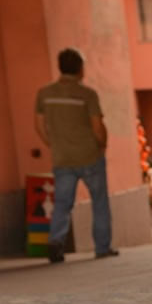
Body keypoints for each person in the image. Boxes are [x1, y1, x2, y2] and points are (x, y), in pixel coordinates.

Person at [34, 48, 119, 263]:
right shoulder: (87, 95)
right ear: (81, 68)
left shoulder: (45, 94)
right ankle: (102, 247)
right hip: (90, 156)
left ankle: (56, 241)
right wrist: (102, 146)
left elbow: (38, 124)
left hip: (62, 158)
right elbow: (97, 126)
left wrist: (53, 144)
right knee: (99, 202)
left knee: (62, 203)